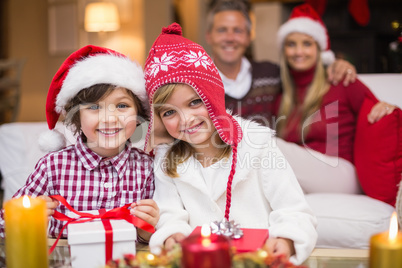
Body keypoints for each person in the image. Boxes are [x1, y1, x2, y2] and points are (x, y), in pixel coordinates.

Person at [144, 23, 317, 265]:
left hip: (258, 260)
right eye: (169, 112)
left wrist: (286, 240)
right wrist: (172, 236)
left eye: (194, 103)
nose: (186, 119)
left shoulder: (258, 144)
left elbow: (293, 210)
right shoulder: (166, 159)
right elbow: (169, 213)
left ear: (213, 98)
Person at [0, 45, 159, 242]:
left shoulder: (147, 169)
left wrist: (148, 230)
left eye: (122, 106)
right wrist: (27, 219)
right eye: (94, 107)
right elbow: (3, 226)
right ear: (77, 117)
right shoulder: (53, 167)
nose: (109, 119)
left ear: (138, 115)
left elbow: (159, 233)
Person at [272, 3, 397, 194]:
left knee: (263, 143)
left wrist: (387, 108)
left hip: (341, 173)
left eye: (307, 43)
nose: (298, 52)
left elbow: (377, 108)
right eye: (291, 44)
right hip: (304, 178)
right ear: (284, 50)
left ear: (319, 49)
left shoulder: (341, 81)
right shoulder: (283, 98)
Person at [205, 0, 358, 126]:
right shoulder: (196, 83)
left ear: (248, 37)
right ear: (209, 36)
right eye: (222, 30)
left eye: (238, 30)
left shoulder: (271, 74)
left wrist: (334, 65)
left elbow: (305, 75)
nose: (230, 38)